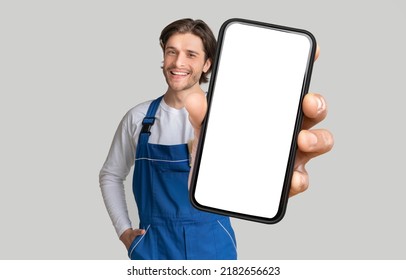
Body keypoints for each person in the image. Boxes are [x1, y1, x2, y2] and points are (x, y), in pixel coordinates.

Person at [99, 18, 334, 260]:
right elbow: (111, 175)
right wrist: (124, 232)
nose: (178, 62)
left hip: (214, 247)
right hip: (154, 248)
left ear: (207, 63)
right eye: (172, 52)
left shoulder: (231, 112)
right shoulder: (138, 118)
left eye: (191, 54)